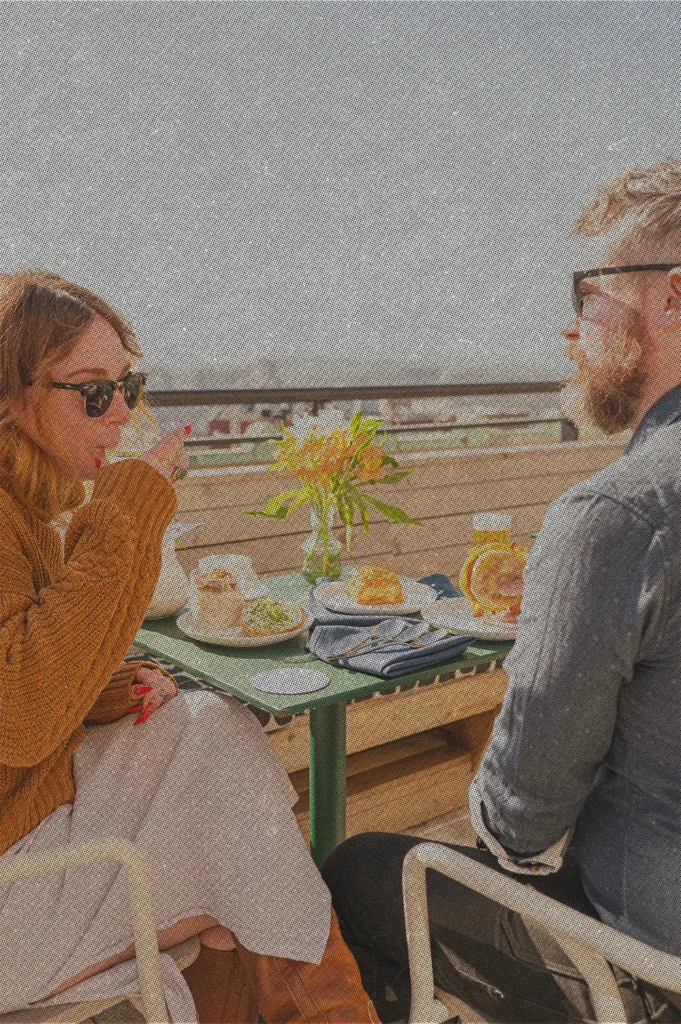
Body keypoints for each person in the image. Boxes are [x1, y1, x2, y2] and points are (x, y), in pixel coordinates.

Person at [322, 157, 681, 1024]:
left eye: (585, 296)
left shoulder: (620, 515)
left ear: (672, 299)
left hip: (651, 965)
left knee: (359, 869)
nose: (570, 330)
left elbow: (519, 823)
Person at [0, 269, 378, 1024]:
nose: (119, 413)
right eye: (94, 391)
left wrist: (106, 687)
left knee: (210, 734)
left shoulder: (26, 510)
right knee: (225, 790)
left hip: (27, 835)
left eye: (127, 387)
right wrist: (124, 506)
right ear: (12, 397)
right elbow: (24, 713)